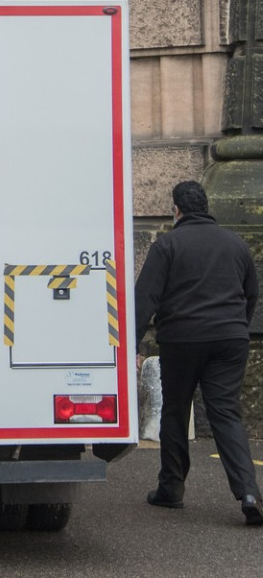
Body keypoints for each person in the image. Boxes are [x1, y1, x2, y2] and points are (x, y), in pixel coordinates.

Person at [135, 179, 262, 525]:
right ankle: (249, 492)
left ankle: (171, 489)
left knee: (175, 410)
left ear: (176, 210)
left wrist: (131, 346)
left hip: (182, 339)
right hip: (231, 338)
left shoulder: (167, 245)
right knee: (226, 414)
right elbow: (251, 293)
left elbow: (145, 298)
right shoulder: (235, 244)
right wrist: (235, 327)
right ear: (206, 207)